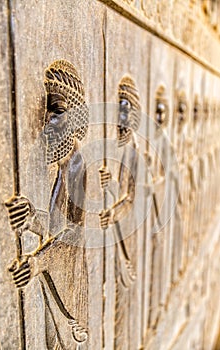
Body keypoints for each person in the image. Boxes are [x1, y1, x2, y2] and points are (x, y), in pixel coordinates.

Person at [5, 60, 89, 349]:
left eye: (58, 111)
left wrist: (38, 262)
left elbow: (75, 238)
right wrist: (30, 217)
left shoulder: (79, 167)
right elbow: (56, 224)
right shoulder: (66, 168)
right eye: (47, 112)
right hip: (54, 286)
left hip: (67, 292)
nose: (48, 122)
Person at [99, 76, 141, 349]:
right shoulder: (123, 147)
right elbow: (121, 190)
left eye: (126, 109)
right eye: (118, 109)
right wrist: (109, 184)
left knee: (123, 291)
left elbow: (132, 198)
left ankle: (121, 341)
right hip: (118, 228)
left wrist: (113, 213)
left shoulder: (133, 150)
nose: (121, 116)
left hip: (127, 230)